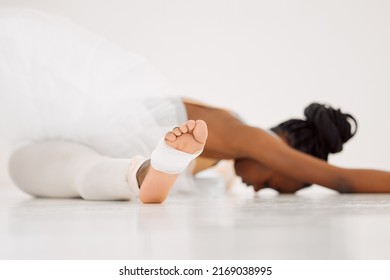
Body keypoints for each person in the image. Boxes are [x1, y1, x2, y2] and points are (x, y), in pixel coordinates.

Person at [1, 9, 390, 204]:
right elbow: (341, 181)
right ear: (285, 152)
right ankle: (144, 173)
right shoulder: (252, 138)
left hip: (100, 149)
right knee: (70, 171)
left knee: (25, 167)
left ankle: (145, 173)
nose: (257, 188)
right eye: (271, 183)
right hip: (101, 125)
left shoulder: (228, 149)